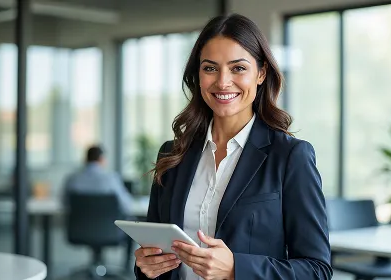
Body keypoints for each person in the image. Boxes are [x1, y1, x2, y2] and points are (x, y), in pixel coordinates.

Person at [134, 13, 332, 280]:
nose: (222, 82)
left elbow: (317, 270)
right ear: (198, 75)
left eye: (238, 68)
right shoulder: (173, 154)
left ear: (261, 73)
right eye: (210, 68)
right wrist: (147, 267)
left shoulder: (290, 157)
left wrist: (236, 269)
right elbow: (156, 256)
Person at [63, 145, 133, 214]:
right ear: (101, 159)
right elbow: (126, 205)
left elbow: (64, 204)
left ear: (86, 159)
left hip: (78, 223)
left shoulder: (72, 179)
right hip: (107, 223)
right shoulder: (111, 179)